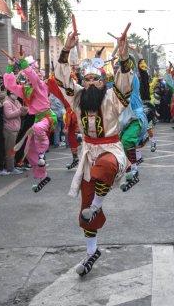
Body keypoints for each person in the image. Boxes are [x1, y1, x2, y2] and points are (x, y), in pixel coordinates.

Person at [54, 24, 133, 277]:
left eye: (95, 79)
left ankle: (98, 204)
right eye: (86, 79)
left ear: (103, 81)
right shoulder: (76, 97)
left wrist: (123, 56)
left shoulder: (112, 97)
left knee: (106, 168)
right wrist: (66, 49)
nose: (90, 83)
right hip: (88, 153)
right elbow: (62, 78)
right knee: (84, 209)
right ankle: (91, 252)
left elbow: (125, 82)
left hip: (111, 149)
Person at [4, 57, 55, 192]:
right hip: (37, 119)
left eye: (37, 72)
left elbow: (34, 78)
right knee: (30, 151)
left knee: (38, 129)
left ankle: (42, 154)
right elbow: (10, 85)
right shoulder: (25, 90)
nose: (35, 74)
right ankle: (42, 176)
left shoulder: (42, 86)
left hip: (48, 117)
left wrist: (24, 65)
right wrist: (10, 68)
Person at [118, 61, 149, 191]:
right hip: (123, 122)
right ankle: (130, 169)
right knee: (121, 144)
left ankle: (134, 169)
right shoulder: (117, 90)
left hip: (136, 118)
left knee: (127, 141)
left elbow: (132, 73)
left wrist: (127, 58)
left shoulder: (133, 84)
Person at [2, 88, 27, 174]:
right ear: (10, 93)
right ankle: (10, 168)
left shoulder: (16, 102)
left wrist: (24, 110)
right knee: (10, 150)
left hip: (16, 129)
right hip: (9, 129)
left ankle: (13, 166)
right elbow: (8, 115)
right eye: (14, 93)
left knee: (14, 149)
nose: (16, 94)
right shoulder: (6, 103)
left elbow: (22, 113)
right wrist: (20, 110)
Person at [138, 59, 157, 152]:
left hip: (146, 104)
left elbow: (143, 74)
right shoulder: (136, 80)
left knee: (148, 126)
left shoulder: (145, 81)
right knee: (137, 129)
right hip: (137, 106)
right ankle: (138, 156)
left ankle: (153, 141)